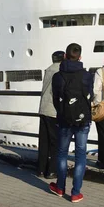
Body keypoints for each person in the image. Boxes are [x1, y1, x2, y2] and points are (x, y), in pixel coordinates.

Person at [50, 43, 94, 203]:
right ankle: (76, 193)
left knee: (62, 153)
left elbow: (55, 100)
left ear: (66, 56)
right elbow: (90, 96)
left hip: (64, 120)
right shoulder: (87, 75)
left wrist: (62, 112)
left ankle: (60, 187)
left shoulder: (58, 76)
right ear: (80, 57)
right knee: (80, 154)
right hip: (83, 120)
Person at [37, 50, 64, 179]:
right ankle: (52, 170)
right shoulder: (60, 71)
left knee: (44, 141)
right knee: (55, 142)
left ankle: (41, 169)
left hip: (43, 108)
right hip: (53, 110)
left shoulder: (48, 70)